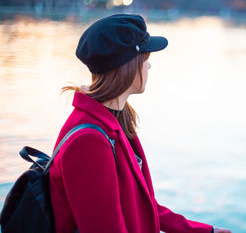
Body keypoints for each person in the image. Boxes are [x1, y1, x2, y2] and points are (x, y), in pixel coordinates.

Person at [48, 13, 232, 233]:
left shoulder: (116, 117)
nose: (149, 66)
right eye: (145, 58)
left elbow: (141, 204)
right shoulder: (89, 141)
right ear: (127, 65)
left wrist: (203, 231)